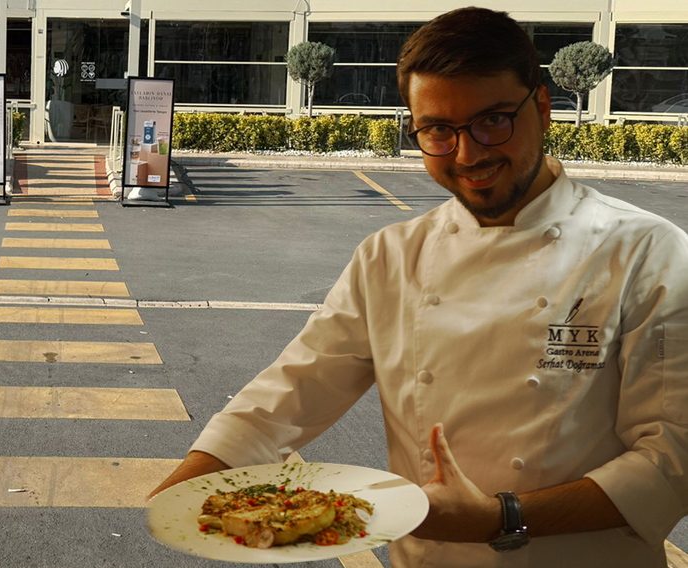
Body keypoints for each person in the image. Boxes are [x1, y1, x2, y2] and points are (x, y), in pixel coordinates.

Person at [148, 7, 688, 567]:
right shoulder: (390, 256)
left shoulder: (646, 252)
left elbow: (672, 457)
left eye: (493, 120)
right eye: (438, 130)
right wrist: (186, 486)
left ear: (544, 107)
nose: (468, 154)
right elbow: (293, 390)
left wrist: (503, 517)